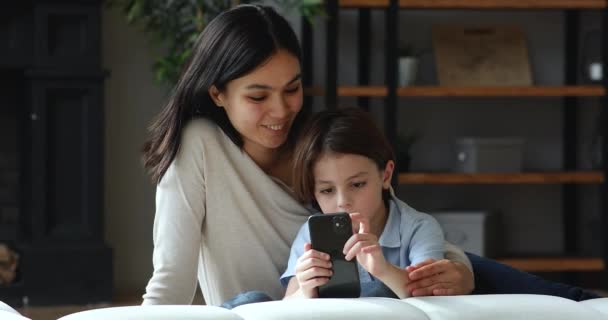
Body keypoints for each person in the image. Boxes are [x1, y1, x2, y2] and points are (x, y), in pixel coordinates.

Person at [140, 3, 597, 308]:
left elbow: (394, 216)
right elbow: (171, 281)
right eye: (258, 96)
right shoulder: (198, 145)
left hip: (387, 283)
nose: (281, 111)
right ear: (218, 93)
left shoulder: (319, 141)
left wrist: (454, 270)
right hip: (285, 303)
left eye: (293, 89)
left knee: (557, 296)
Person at [281, 108, 446, 299]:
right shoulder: (312, 234)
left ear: (386, 175)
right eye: (327, 190)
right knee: (249, 301)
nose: (343, 203)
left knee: (377, 292)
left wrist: (383, 270)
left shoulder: (418, 228)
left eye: (357, 184)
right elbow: (286, 305)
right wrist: (305, 290)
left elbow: (431, 299)